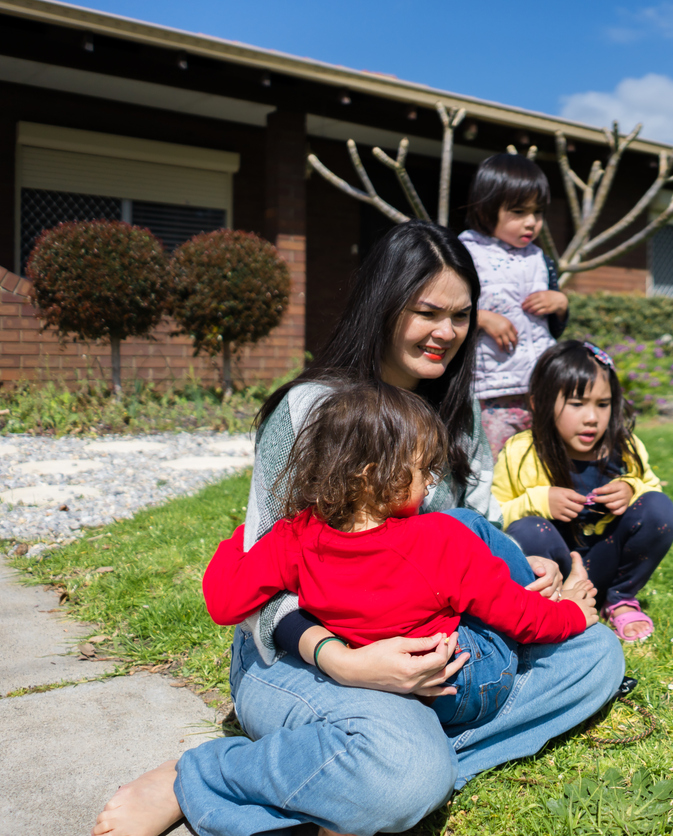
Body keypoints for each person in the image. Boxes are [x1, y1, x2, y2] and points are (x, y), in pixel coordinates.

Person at [94, 222, 625, 836]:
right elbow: (261, 584)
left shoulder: (456, 414)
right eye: (428, 311)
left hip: (439, 647)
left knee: (595, 656)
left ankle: (361, 773)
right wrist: (346, 663)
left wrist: (534, 574)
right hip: (305, 653)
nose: (447, 333)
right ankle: (206, 775)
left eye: (461, 315)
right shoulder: (312, 410)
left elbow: (476, 531)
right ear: (384, 303)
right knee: (403, 770)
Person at [203, 380, 600, 735]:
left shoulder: (293, 540)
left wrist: (243, 539)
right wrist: (572, 614)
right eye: (424, 469)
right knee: (476, 540)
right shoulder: (438, 539)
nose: (431, 482)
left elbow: (223, 603)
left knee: (471, 532)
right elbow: (519, 616)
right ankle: (552, 601)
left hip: (383, 680)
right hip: (468, 680)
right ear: (374, 475)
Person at [492, 341, 673, 643]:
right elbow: (492, 519)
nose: (592, 417)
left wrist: (632, 488)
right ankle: (556, 606)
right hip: (556, 573)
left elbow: (653, 496)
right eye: (577, 404)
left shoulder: (625, 447)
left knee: (658, 508)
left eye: (602, 404)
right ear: (540, 403)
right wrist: (537, 501)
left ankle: (619, 599)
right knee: (529, 530)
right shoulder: (521, 451)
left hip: (606, 562)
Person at [459, 153, 568, 457]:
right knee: (494, 462)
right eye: (519, 212)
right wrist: (480, 318)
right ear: (485, 207)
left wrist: (560, 303)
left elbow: (554, 328)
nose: (531, 222)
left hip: (539, 386)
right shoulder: (464, 254)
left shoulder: (540, 259)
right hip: (490, 390)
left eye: (538, 212)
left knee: (537, 459)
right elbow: (444, 311)